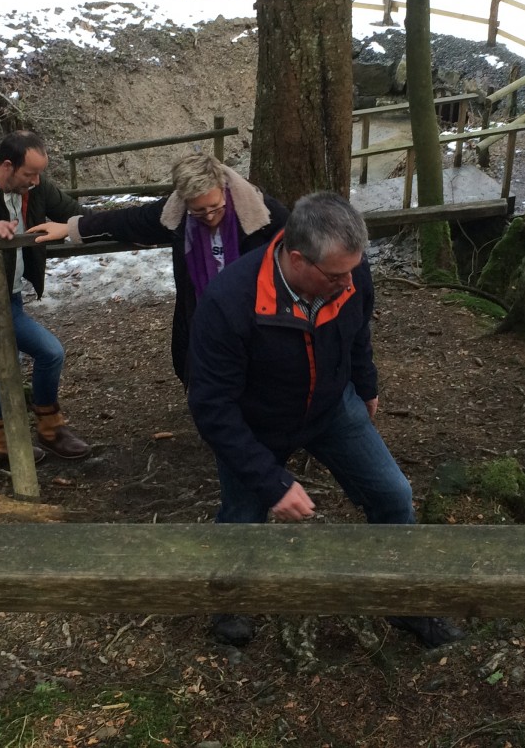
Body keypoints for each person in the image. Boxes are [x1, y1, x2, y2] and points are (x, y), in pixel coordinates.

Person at [187, 190, 466, 650]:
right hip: (257, 424)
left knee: (393, 495)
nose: (348, 281)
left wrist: (366, 385)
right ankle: (231, 601)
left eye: (353, 269)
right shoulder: (229, 302)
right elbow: (212, 407)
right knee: (241, 515)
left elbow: (359, 332)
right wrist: (271, 482)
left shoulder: (348, 272)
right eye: (336, 275)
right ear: (298, 259)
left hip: (333, 408)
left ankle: (405, 599)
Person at [28, 151, 288, 387]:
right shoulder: (176, 213)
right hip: (203, 317)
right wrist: (72, 228)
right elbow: (128, 220)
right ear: (184, 202)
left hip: (255, 316)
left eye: (215, 207)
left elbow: (297, 252)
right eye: (199, 211)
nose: (209, 216)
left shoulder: (265, 215)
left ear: (223, 188)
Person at [0, 129, 91, 466]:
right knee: (49, 352)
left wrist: (110, 226)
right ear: (7, 166)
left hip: (10, 290)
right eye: (29, 174)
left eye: (39, 174)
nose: (36, 182)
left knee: (3, 357)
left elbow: (72, 211)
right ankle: (49, 428)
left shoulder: (34, 186)